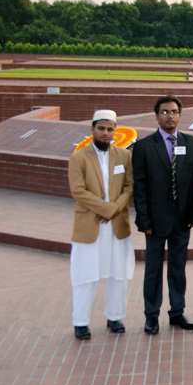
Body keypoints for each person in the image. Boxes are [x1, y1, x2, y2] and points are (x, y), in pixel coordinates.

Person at [133, 95, 193, 334]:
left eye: (174, 112)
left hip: (182, 220)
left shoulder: (191, 143)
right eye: (164, 112)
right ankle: (151, 315)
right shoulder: (143, 146)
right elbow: (139, 187)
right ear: (157, 116)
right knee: (153, 269)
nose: (169, 116)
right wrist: (144, 220)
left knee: (178, 268)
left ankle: (177, 312)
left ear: (180, 115)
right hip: (155, 221)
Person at [69, 110, 135, 340]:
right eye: (101, 129)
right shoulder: (78, 157)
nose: (106, 133)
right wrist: (106, 209)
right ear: (92, 129)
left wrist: (113, 210)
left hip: (117, 226)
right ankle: (80, 322)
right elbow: (78, 191)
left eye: (110, 129)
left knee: (118, 274)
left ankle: (114, 317)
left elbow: (129, 187)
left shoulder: (124, 156)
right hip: (90, 225)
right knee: (86, 275)